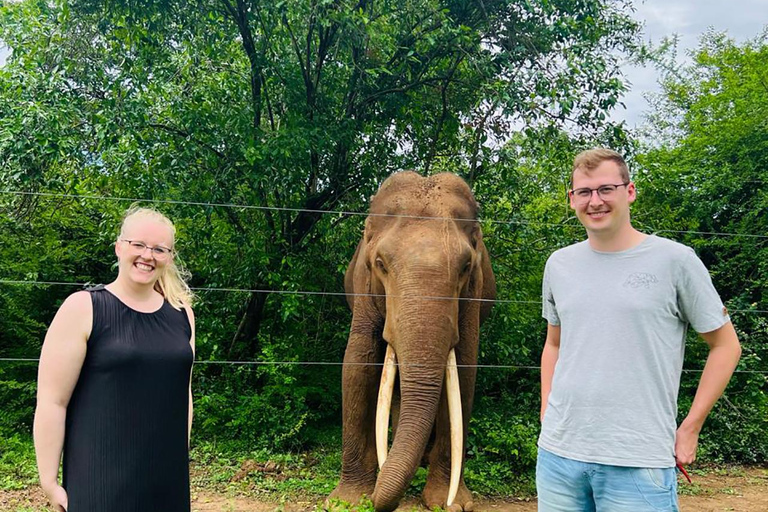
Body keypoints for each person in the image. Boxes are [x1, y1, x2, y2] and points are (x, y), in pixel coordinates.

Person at [537, 148, 742, 511]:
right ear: (572, 199)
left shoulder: (676, 260)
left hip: (639, 459)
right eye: (584, 192)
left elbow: (725, 346)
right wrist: (546, 416)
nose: (595, 201)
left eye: (606, 189)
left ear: (629, 191)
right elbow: (554, 345)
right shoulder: (559, 264)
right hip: (559, 457)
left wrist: (690, 428)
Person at [33, 206, 196, 512]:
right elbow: (52, 401)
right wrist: (49, 481)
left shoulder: (182, 315)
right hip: (100, 482)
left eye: (159, 249)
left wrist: (178, 455)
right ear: (119, 247)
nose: (148, 255)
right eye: (139, 244)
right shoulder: (82, 308)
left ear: (170, 257)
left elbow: (183, 394)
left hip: (166, 483)